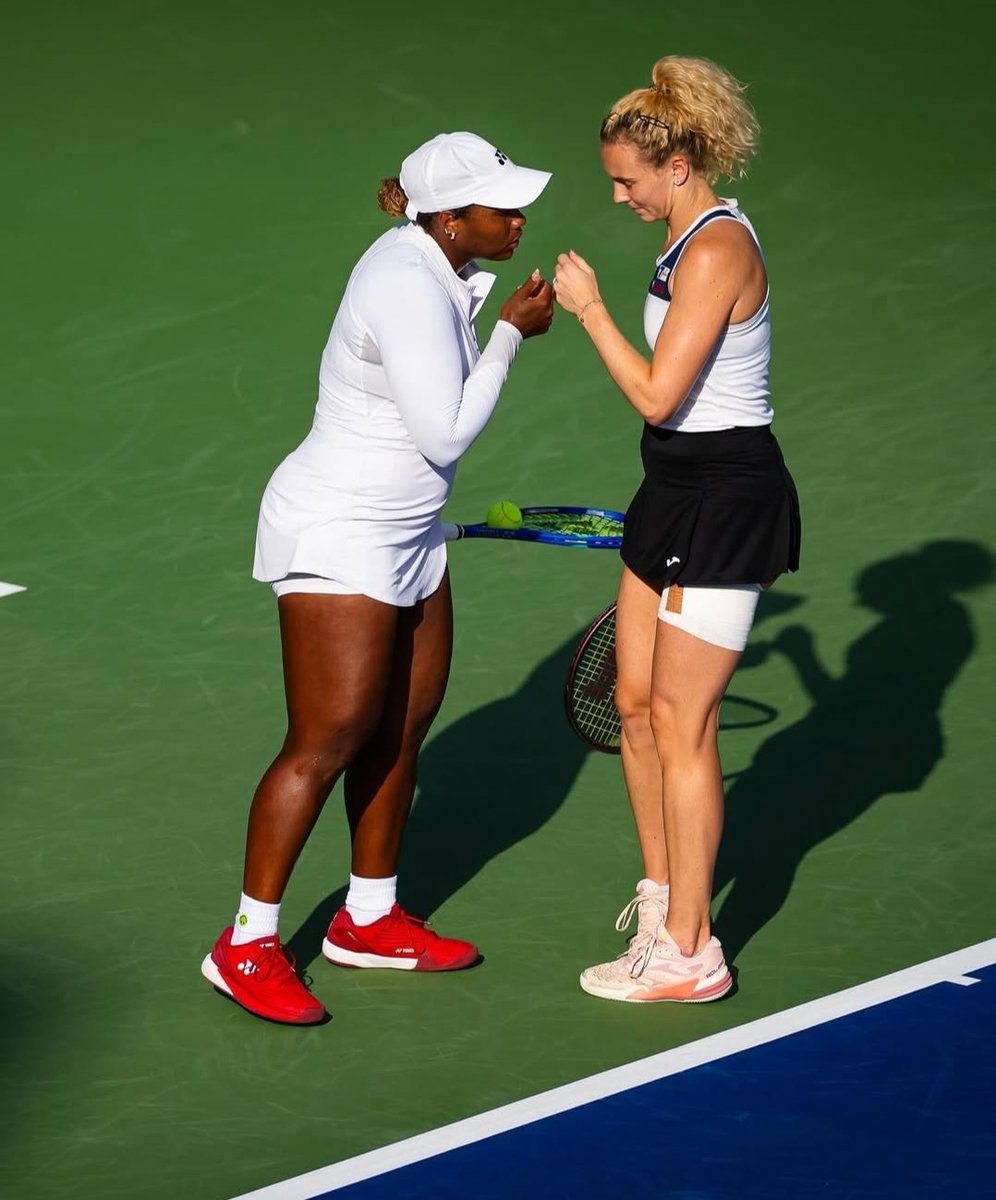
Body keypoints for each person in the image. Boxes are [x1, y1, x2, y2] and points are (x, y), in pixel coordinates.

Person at [201, 131, 554, 1025]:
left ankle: (366, 917)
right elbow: (444, 435)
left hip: (410, 535)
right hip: (341, 532)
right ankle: (244, 944)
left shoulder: (437, 267)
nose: (518, 219)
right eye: (500, 206)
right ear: (447, 215)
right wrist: (511, 334)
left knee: (401, 726)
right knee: (327, 738)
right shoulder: (403, 281)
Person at [553, 56, 800, 1003]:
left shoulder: (714, 250)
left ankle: (695, 952)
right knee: (635, 700)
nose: (619, 196)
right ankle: (661, 906)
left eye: (628, 180)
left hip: (729, 497)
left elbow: (659, 392)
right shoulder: (681, 235)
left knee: (685, 724)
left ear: (681, 163)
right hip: (673, 486)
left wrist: (590, 313)